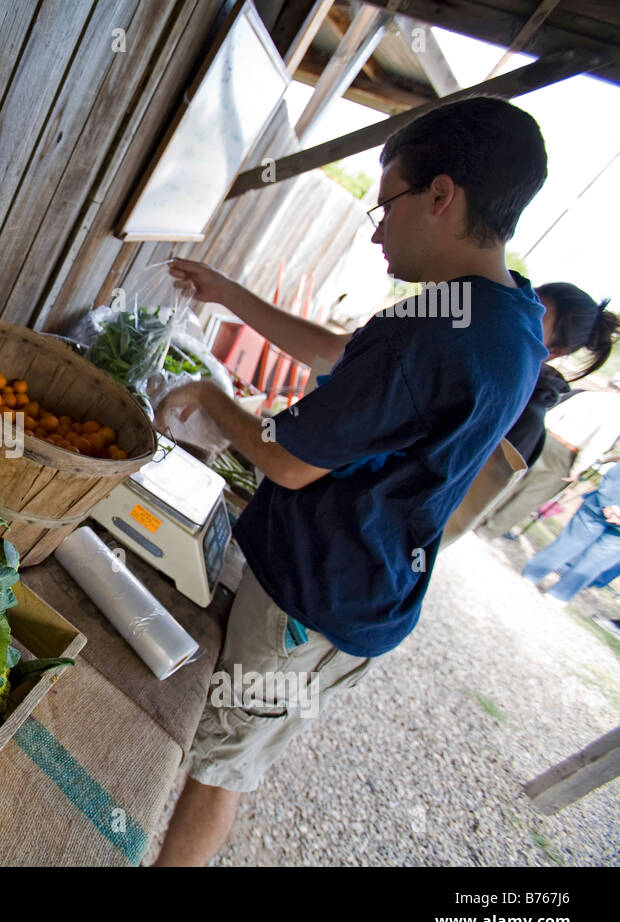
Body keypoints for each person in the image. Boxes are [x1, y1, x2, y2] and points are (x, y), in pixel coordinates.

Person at [149, 96, 549, 867]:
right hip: (370, 596)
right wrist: (228, 295)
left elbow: (288, 462)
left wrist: (207, 399)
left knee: (217, 767)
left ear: (441, 196)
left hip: (312, 597)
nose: (375, 229)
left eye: (387, 201)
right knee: (239, 750)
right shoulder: (508, 313)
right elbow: (340, 355)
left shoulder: (430, 335)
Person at [479, 285, 620, 538]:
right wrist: (578, 468)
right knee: (526, 494)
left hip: (548, 438)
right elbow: (596, 444)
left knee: (508, 484)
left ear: (556, 352)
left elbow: (557, 412)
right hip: (563, 453)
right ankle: (488, 529)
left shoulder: (590, 397)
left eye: (536, 313)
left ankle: (483, 520)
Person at [520, 462, 620, 602]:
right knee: (594, 558)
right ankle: (558, 594)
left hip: (603, 504)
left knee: (572, 543)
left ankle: (532, 575)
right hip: (603, 507)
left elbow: (615, 477)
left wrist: (609, 503)